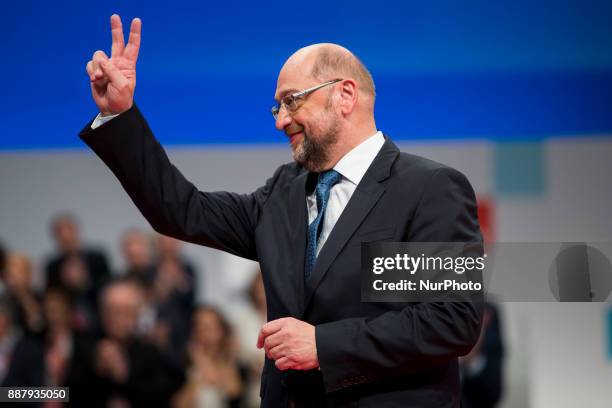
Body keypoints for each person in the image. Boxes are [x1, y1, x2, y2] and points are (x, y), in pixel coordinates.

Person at [80, 14, 483, 407]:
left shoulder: (426, 189)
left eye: (292, 101)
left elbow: (451, 319)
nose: (281, 121)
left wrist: (323, 345)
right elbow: (181, 210)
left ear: (344, 95)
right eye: (278, 107)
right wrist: (120, 115)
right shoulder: (283, 193)